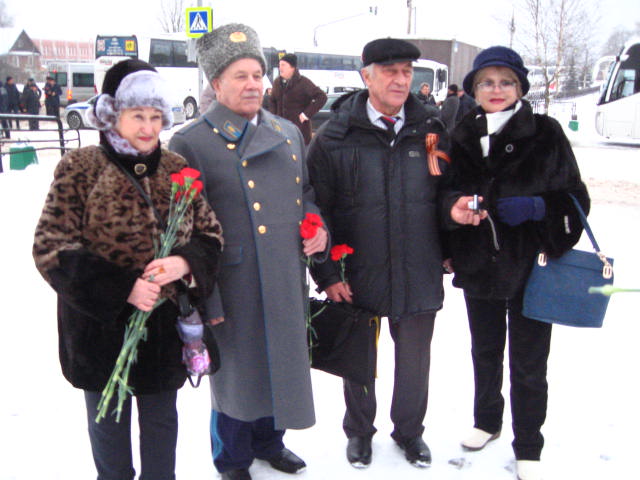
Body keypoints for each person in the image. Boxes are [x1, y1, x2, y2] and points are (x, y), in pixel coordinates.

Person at [32, 58, 223, 480]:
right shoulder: (80, 168)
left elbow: (211, 236)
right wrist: (123, 289)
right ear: (111, 114)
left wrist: (184, 262)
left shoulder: (176, 169)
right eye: (138, 116)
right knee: (109, 435)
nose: (149, 127)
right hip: (100, 333)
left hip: (161, 333)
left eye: (156, 116)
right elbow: (51, 248)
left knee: (161, 430)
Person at [169, 23, 328, 480]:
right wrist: (207, 299)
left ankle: (270, 443)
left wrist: (316, 226)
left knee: (280, 362)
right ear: (216, 83)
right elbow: (185, 230)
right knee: (237, 375)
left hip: (283, 272)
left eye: (257, 74)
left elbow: (306, 193)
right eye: (240, 76)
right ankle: (233, 459)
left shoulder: (287, 132)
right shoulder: (191, 141)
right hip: (231, 281)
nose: (253, 84)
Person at [442, 46, 589, 480]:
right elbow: (445, 193)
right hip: (479, 262)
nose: (496, 90)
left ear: (520, 88)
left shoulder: (546, 133)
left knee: (528, 362)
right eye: (486, 82)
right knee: (484, 351)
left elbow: (577, 199)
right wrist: (454, 213)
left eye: (506, 82)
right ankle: (487, 420)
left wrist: (540, 207)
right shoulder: (461, 133)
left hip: (531, 265)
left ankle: (528, 444)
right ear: (474, 89)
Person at [307, 38, 450, 470]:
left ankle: (410, 432)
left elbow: (445, 193)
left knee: (415, 362)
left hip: (418, 266)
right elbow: (315, 210)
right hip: (359, 270)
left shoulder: (430, 131)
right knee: (359, 359)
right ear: (366, 77)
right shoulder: (335, 137)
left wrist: (453, 250)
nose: (401, 80)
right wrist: (328, 274)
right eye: (390, 72)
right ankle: (359, 432)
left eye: (406, 71)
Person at [270, 53, 327, 144]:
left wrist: (305, 115)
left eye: (283, 65)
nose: (280, 68)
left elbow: (322, 97)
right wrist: (273, 118)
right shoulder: (277, 82)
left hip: (299, 132)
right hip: (280, 131)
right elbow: (272, 100)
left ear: (292, 67)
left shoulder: (303, 82)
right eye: (279, 65)